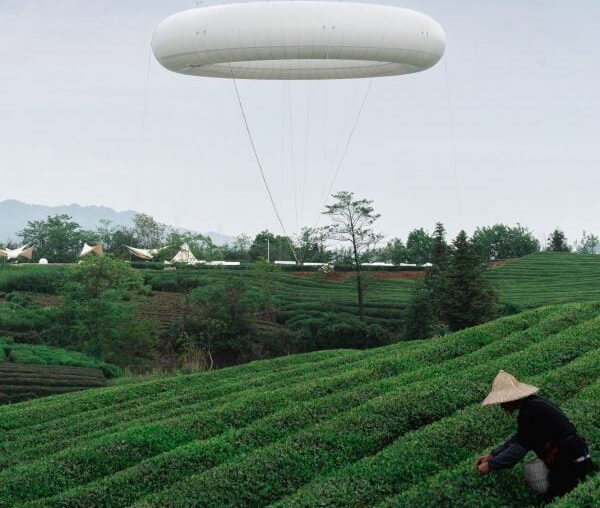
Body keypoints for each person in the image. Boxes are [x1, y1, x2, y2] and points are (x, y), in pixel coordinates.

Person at [475, 370, 595, 500]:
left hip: (571, 460)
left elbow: (518, 450)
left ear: (512, 399)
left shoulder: (529, 413)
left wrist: (491, 465)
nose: (501, 406)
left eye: (502, 401)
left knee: (557, 498)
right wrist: (492, 455)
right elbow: (520, 438)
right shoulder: (533, 405)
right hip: (575, 455)